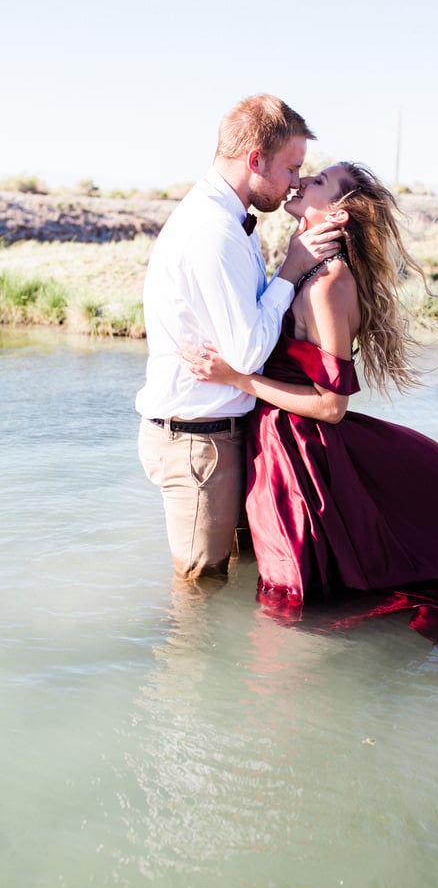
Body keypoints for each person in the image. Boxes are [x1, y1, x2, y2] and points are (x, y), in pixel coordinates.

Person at [177, 162, 438, 601]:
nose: (301, 181)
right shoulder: (307, 270)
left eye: (317, 181)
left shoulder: (328, 285)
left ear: (337, 215)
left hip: (298, 455)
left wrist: (237, 378)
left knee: (292, 590)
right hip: (275, 441)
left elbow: (331, 406)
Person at [135, 94, 344, 580]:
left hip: (214, 437)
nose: (296, 180)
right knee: (199, 590)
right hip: (198, 443)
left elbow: (245, 322)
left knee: (224, 581)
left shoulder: (230, 219)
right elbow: (247, 352)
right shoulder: (213, 229)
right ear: (256, 160)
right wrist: (291, 270)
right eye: (292, 168)